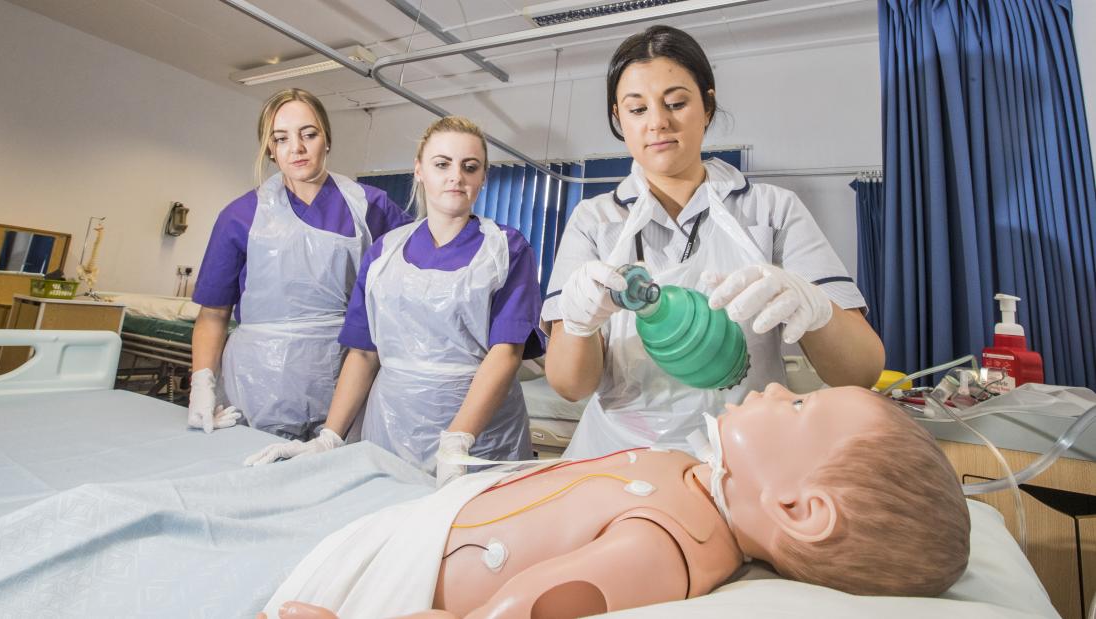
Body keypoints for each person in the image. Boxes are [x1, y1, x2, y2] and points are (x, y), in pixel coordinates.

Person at [258, 383, 971, 618]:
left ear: (798, 509)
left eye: (800, 406)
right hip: (438, 512)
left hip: (406, 567)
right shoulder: (699, 478)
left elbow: (515, 611)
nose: (779, 387)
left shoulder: (667, 546)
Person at [541, 25, 886, 458]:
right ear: (618, 118)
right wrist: (578, 325)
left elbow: (861, 372)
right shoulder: (594, 221)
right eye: (637, 109)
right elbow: (571, 386)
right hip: (622, 462)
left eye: (676, 103)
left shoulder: (771, 210)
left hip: (746, 462)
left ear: (707, 105)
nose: (657, 123)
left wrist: (815, 310)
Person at [244, 116, 544, 486]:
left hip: (480, 439)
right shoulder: (385, 251)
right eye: (442, 164)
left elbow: (506, 353)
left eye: (470, 167)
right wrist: (330, 437)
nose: (456, 176)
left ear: (483, 177)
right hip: (391, 427)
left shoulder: (507, 248)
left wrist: (457, 440)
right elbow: (364, 353)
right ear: (419, 170)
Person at [187, 88, 412, 440]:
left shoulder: (370, 206)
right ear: (270, 151)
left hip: (345, 377)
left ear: (327, 139)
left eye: (309, 134)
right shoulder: (241, 216)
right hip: (257, 383)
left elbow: (425, 259)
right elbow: (213, 315)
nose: (297, 148)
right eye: (281, 138)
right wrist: (201, 382)